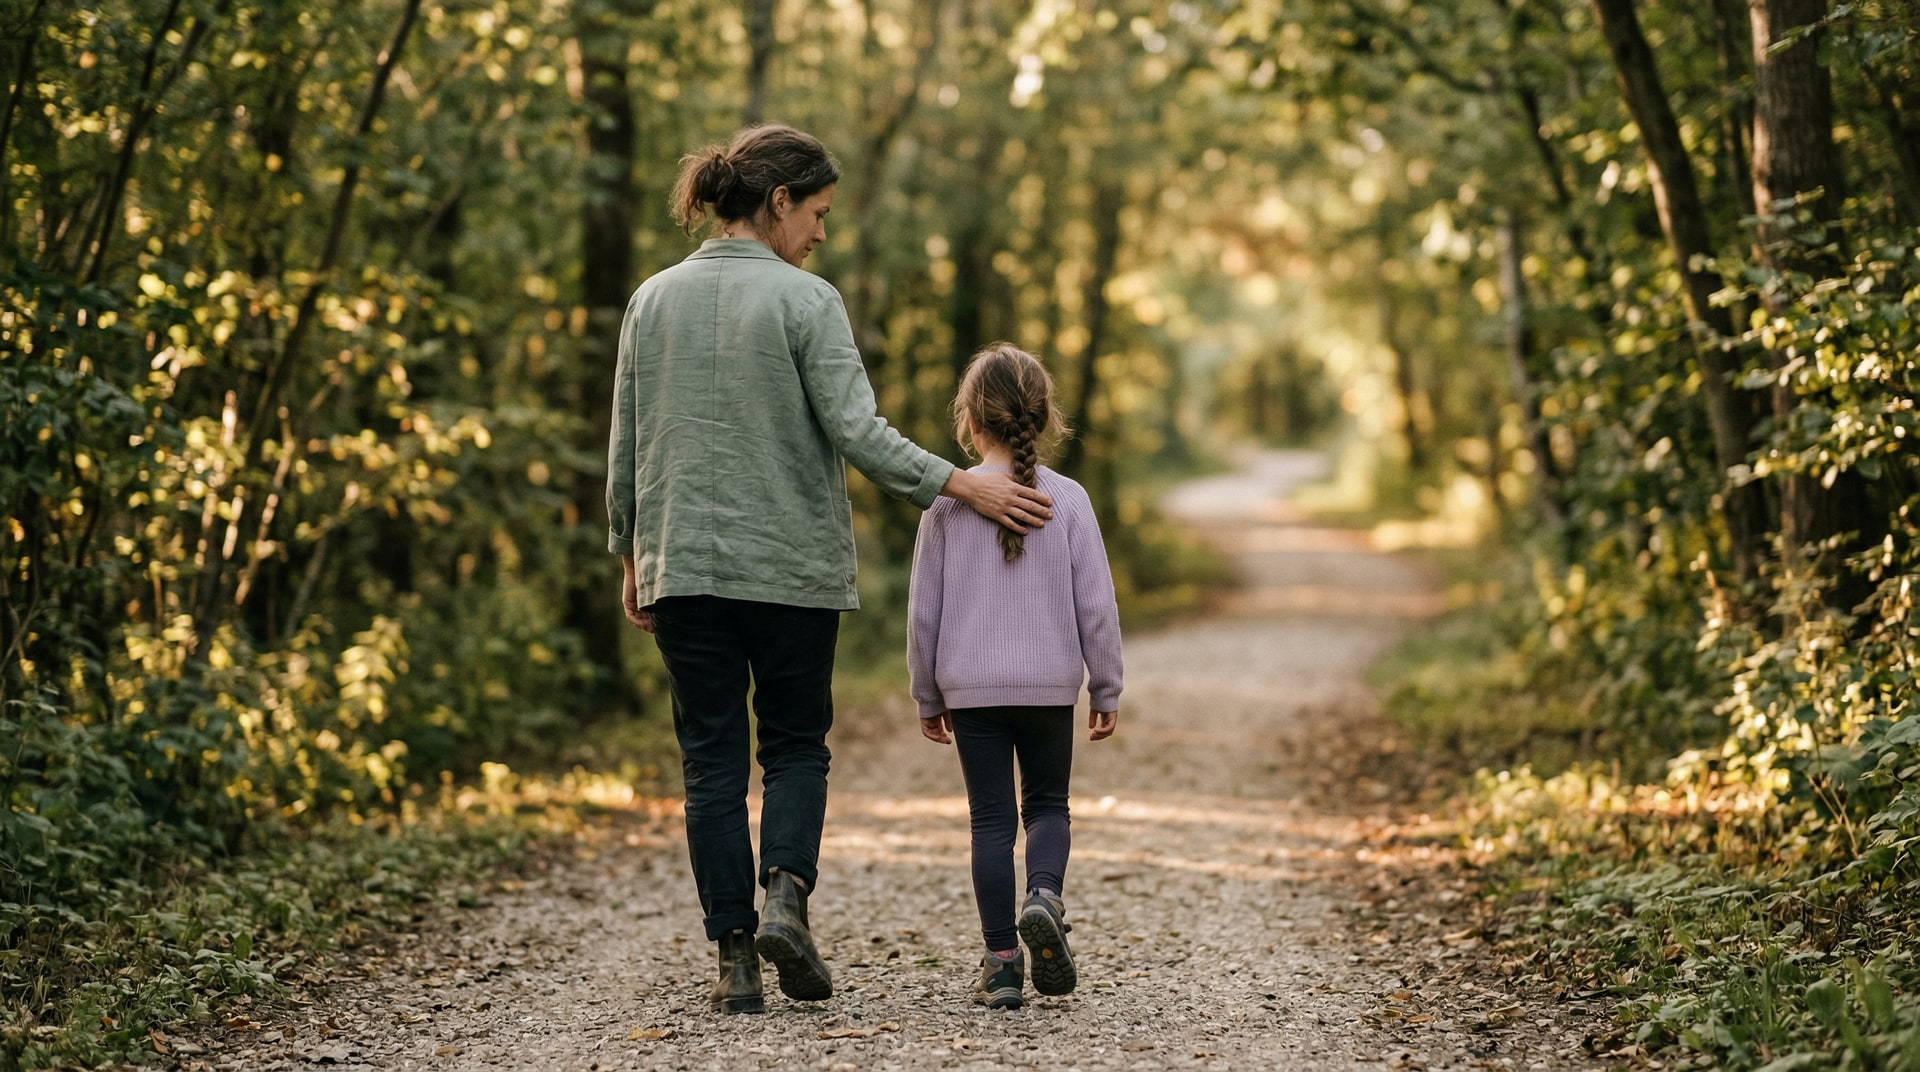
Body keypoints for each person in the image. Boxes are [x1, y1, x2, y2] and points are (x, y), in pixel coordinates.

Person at [606, 124, 1053, 1015]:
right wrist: (963, 485)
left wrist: (631, 552)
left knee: (709, 762)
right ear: (778, 203)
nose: (820, 234)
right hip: (791, 570)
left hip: (681, 563)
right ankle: (785, 900)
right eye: (816, 214)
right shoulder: (808, 303)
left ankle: (735, 961)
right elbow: (859, 434)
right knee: (796, 745)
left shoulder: (651, 300)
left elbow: (626, 442)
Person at [907, 343, 1123, 1009]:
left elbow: (924, 611)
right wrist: (1105, 683)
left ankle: (1002, 964)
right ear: (1044, 416)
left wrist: (926, 691)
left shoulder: (947, 505)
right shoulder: (1069, 500)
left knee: (991, 822)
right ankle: (1045, 897)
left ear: (971, 420)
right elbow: (1097, 602)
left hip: (972, 691)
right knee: (1049, 805)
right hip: (1048, 685)